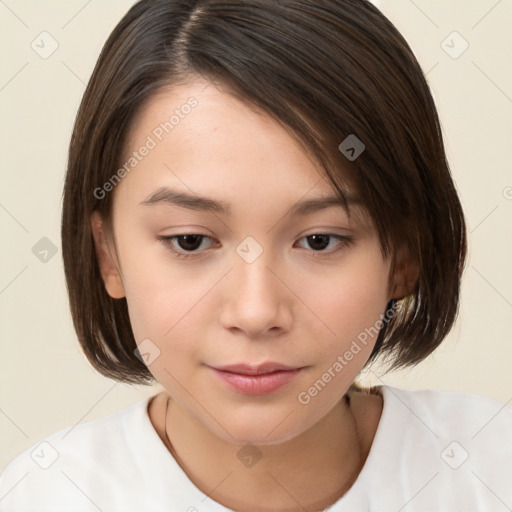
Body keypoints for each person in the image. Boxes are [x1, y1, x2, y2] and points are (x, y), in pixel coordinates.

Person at [1, 0, 510, 510]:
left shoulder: (490, 470)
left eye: (319, 240)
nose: (256, 312)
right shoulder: (47, 495)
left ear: (403, 255)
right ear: (108, 255)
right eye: (190, 241)